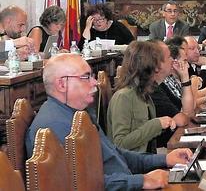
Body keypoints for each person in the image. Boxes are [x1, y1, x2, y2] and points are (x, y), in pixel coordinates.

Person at [25, 53, 193, 190]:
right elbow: (79, 184)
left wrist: (164, 160)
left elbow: (115, 154)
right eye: (86, 77)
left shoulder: (79, 114)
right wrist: (142, 181)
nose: (95, 83)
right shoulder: (54, 126)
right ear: (62, 84)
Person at [107, 41, 187, 153]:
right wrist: (157, 124)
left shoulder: (144, 94)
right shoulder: (123, 97)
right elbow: (120, 144)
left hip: (148, 159)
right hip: (132, 166)